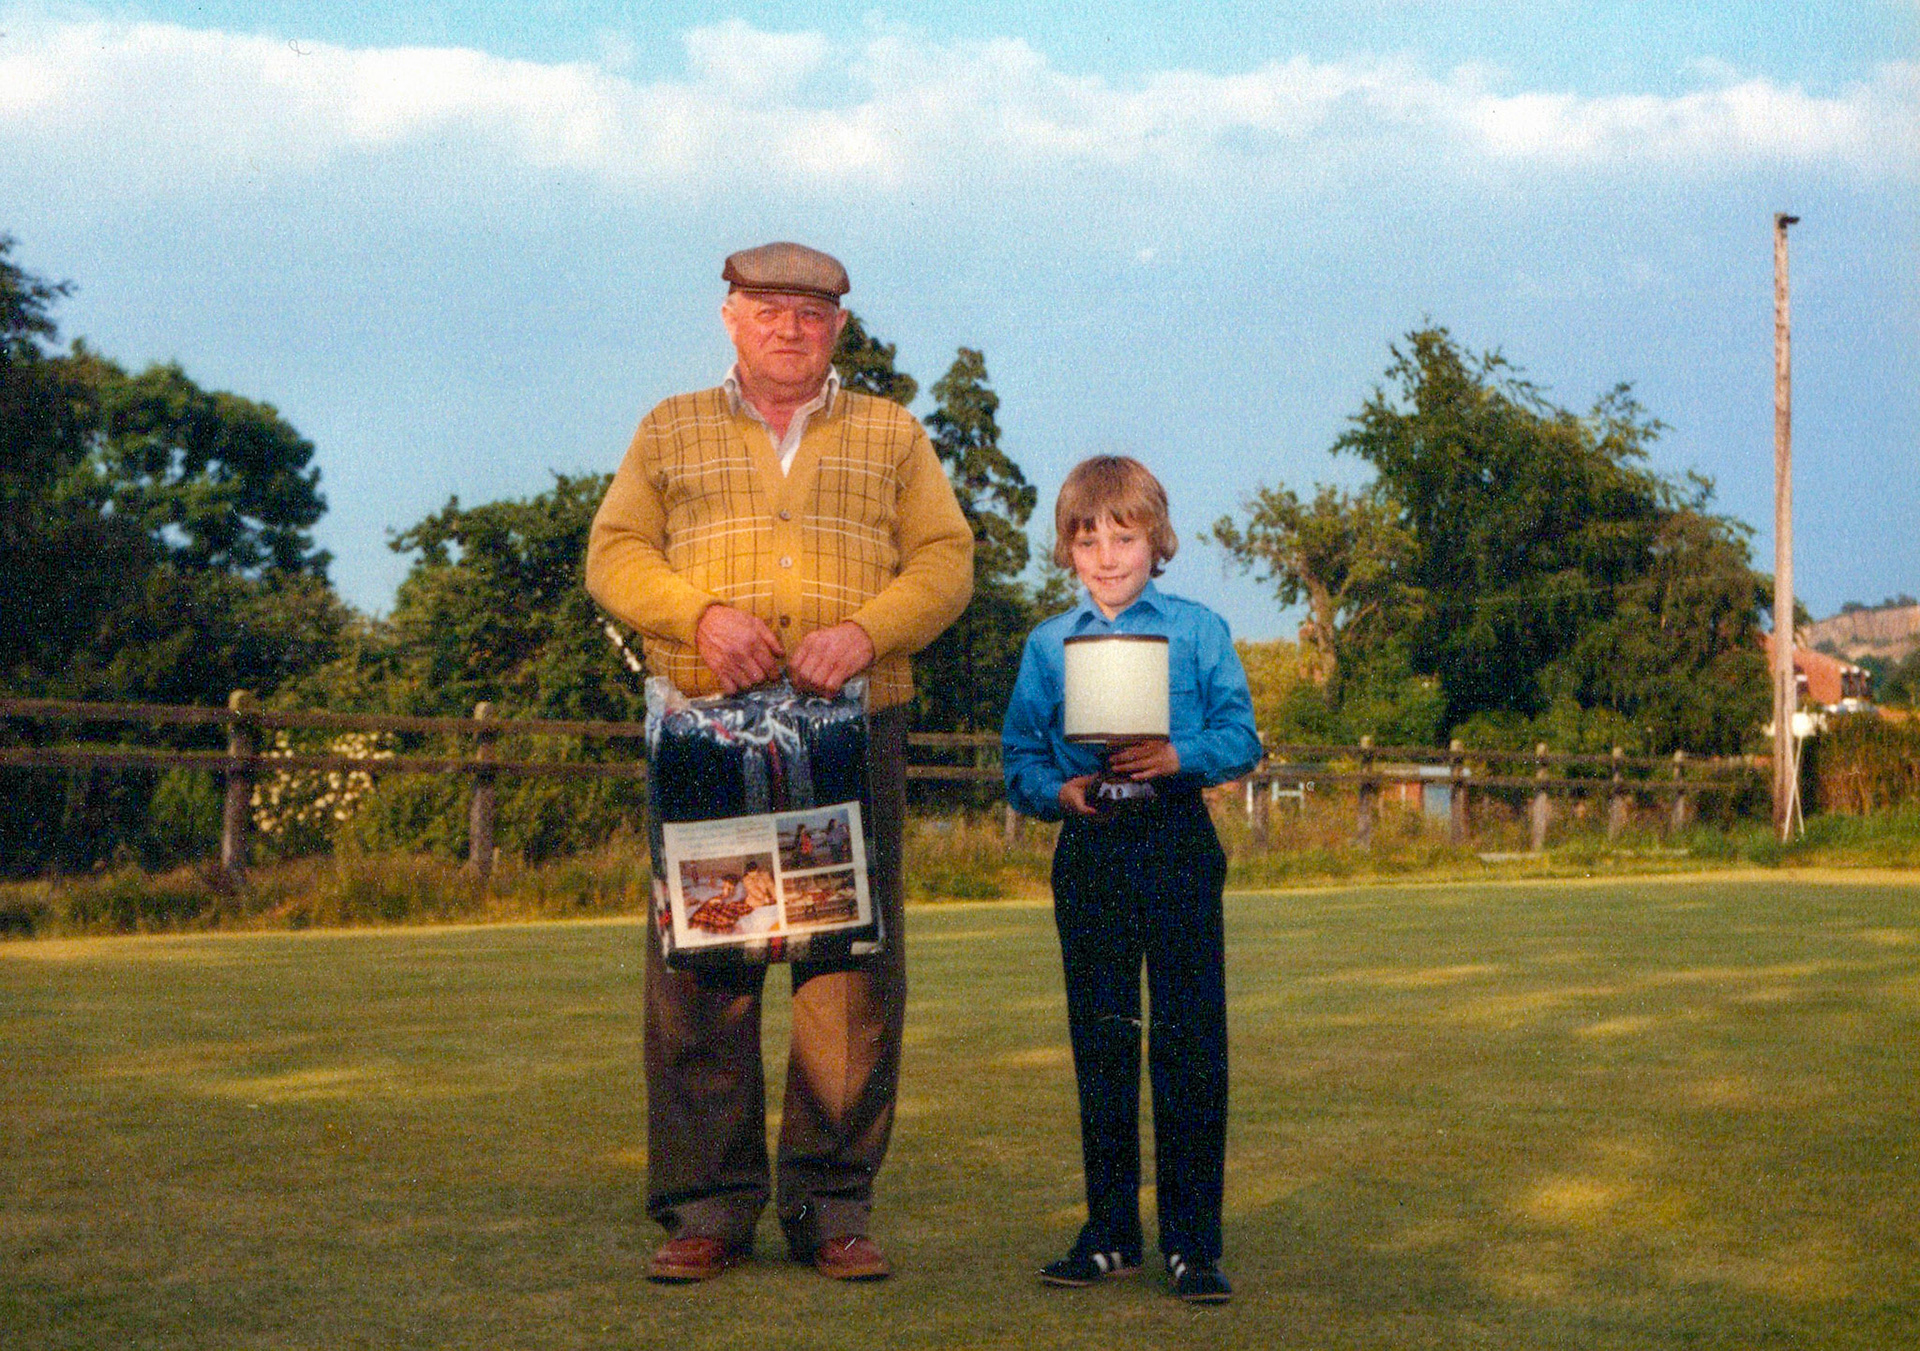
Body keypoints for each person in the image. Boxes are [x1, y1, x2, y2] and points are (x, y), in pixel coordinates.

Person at [586, 242, 973, 1284]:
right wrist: (698, 614)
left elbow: (947, 559)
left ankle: (832, 1202)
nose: (788, 327)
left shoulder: (891, 433)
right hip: (710, 731)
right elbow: (614, 552)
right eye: (767, 308)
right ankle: (707, 1204)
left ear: (838, 328)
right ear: (729, 316)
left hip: (853, 728)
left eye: (810, 312)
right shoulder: (670, 427)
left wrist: (867, 629)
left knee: (845, 964)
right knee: (708, 957)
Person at [1001, 455, 1261, 1305]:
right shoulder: (1047, 643)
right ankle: (1110, 1231)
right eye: (1089, 539)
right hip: (1093, 849)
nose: (1108, 555)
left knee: (1189, 1042)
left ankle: (1194, 1243)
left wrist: (1181, 755)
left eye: (1125, 535)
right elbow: (1020, 758)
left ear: (1157, 539)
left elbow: (1241, 735)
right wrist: (1058, 789)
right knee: (1102, 1042)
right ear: (1068, 550)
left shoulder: (1198, 630)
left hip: (1179, 840)